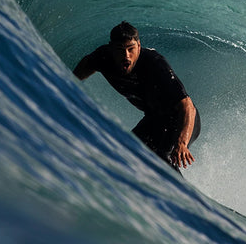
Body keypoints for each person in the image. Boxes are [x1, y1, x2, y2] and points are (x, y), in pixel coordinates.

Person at [73, 21, 200, 173]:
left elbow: (187, 106)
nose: (126, 56)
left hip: (181, 119)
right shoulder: (102, 58)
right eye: (120, 50)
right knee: (126, 152)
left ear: (139, 46)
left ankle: (180, 195)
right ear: (111, 48)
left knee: (162, 157)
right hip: (155, 119)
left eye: (130, 49)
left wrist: (182, 143)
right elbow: (77, 73)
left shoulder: (154, 64)